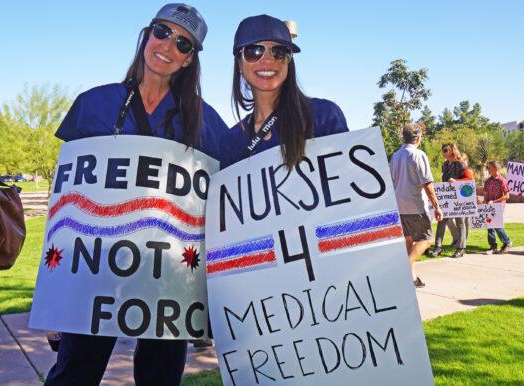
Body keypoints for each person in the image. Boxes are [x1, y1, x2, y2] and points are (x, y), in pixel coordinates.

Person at [44, 4, 227, 385]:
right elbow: (65, 190)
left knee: (160, 376)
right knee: (75, 372)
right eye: (162, 31)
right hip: (96, 266)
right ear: (147, 35)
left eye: (183, 43)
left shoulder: (205, 120)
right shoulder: (93, 103)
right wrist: (56, 287)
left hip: (170, 277)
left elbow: (225, 192)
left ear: (190, 59)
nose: (168, 46)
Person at [219, 14, 349, 170]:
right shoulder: (230, 141)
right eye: (254, 51)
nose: (268, 60)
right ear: (239, 64)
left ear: (289, 60)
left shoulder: (324, 116)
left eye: (279, 51)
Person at [389, 123, 443, 288]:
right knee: (427, 240)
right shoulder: (418, 155)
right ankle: (404, 269)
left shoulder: (396, 156)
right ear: (418, 138)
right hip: (415, 205)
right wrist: (437, 206)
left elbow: (391, 181)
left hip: (399, 205)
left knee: (409, 242)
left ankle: (411, 279)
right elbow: (427, 184)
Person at [429, 143, 468, 258]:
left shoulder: (460, 164)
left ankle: (460, 248)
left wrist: (456, 181)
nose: (444, 152)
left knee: (460, 222)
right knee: (441, 221)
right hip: (447, 197)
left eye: (446, 150)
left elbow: (469, 179)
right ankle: (438, 247)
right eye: (443, 150)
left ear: (452, 150)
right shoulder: (445, 165)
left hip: (459, 198)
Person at [482, 161, 512, 254]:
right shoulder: (488, 181)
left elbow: (507, 196)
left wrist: (494, 202)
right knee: (489, 226)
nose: (488, 169)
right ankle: (492, 247)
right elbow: (485, 193)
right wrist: (484, 202)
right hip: (489, 206)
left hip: (498, 206)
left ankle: (507, 242)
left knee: (497, 226)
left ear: (495, 169)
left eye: (489, 167)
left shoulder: (502, 180)